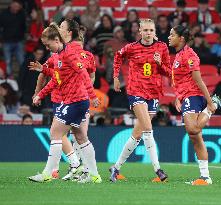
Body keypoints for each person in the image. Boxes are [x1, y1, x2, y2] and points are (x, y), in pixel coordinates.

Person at [28, 23, 101, 183]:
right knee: (81, 137)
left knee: (55, 133)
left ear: (56, 40)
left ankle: (47, 174)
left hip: (75, 100)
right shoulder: (60, 55)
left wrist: (92, 95)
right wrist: (40, 94)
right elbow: (56, 79)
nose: (47, 48)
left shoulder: (68, 53)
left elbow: (83, 73)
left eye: (48, 45)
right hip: (74, 101)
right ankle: (95, 176)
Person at [168, 25, 221, 185]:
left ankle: (215, 104)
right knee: (195, 137)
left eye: (172, 35)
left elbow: (199, 81)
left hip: (194, 95)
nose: (169, 37)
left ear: (181, 39)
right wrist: (178, 97)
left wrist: (210, 103)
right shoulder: (178, 55)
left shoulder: (190, 55)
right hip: (186, 96)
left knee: (193, 129)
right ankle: (205, 176)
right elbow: (180, 80)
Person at [109, 19, 170, 182]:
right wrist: (116, 77)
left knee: (137, 133)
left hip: (153, 93)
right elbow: (117, 57)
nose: (149, 33)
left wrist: (160, 63)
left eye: (151, 30)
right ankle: (158, 169)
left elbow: (169, 72)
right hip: (136, 91)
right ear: (140, 32)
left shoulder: (162, 47)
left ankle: (116, 167)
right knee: (148, 128)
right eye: (146, 30)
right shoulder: (132, 48)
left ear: (155, 32)